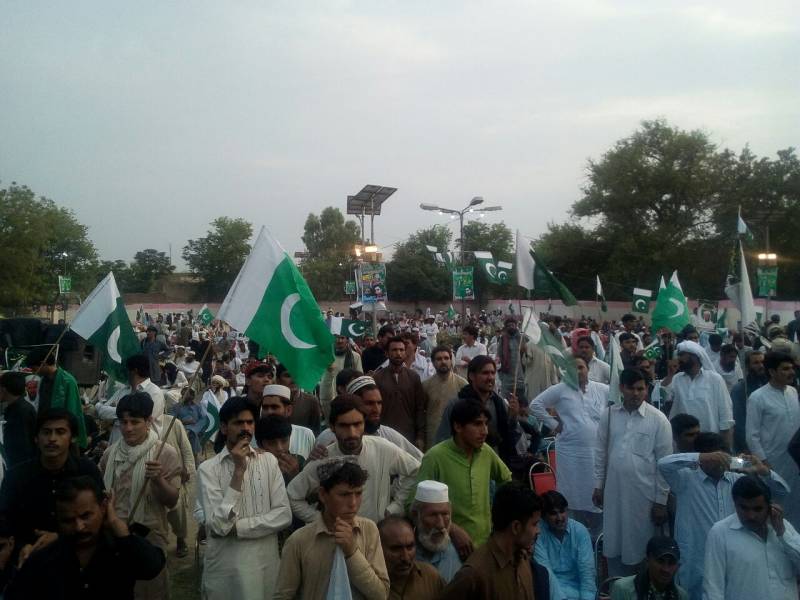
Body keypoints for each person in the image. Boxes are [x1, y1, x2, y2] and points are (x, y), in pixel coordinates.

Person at [657, 432, 789, 599]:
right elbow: (662, 464)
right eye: (715, 459)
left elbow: (783, 492)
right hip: (696, 560)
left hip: (733, 558)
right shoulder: (685, 480)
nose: (720, 464)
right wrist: (702, 456)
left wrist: (763, 471)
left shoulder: (737, 480)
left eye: (723, 458)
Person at [6, 476, 165, 600]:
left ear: (103, 508)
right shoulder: (44, 559)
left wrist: (118, 527)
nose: (79, 527)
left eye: (86, 516)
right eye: (68, 520)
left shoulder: (121, 549)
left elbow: (152, 567)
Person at [197, 396, 292, 599]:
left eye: (250, 422)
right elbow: (220, 526)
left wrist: (239, 528)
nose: (246, 428)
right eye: (238, 423)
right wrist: (239, 471)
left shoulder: (268, 461)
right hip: (226, 571)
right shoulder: (207, 470)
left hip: (264, 567)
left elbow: (284, 515)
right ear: (223, 428)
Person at [287, 395, 419, 523]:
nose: (352, 433)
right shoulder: (324, 458)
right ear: (332, 427)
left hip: (375, 537)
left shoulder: (382, 448)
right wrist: (321, 520)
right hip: (335, 539)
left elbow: (415, 470)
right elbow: (293, 496)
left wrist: (394, 508)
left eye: (357, 424)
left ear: (364, 424)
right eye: (344, 426)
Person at [99, 392, 181, 599]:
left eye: (135, 422)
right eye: (123, 422)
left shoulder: (165, 453)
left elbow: (172, 500)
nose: (128, 428)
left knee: (149, 590)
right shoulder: (110, 454)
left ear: (149, 421)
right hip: (113, 535)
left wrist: (158, 479)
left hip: (149, 536)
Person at [593, 368, 673, 577]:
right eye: (631, 388)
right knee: (614, 545)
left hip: (643, 498)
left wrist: (661, 501)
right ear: (621, 389)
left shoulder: (658, 420)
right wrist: (598, 485)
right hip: (613, 493)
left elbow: (664, 464)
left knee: (640, 547)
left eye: (641, 388)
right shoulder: (609, 415)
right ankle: (617, 588)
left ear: (647, 390)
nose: (636, 393)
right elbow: (601, 452)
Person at [274, 460, 390, 599]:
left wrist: (352, 553)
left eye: (358, 493)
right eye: (344, 495)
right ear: (323, 495)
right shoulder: (299, 541)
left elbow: (381, 594)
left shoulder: (369, 530)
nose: (353, 503)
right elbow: (283, 595)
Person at [0, 409, 104, 561]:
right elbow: (5, 521)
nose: (52, 439)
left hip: (78, 557)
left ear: (73, 438)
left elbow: (100, 516)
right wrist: (21, 547)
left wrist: (60, 537)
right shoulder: (16, 476)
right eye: (46, 432)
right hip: (28, 560)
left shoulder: (87, 471)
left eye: (60, 432)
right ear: (36, 438)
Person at [415, 399, 512, 547]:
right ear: (458, 426)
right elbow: (414, 505)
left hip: (485, 545)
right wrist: (452, 529)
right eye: (477, 424)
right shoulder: (435, 457)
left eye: (486, 424)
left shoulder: (485, 452)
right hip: (448, 546)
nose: (485, 431)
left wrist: (497, 515)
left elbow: (506, 480)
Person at [531, 357, 608, 537]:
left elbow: (615, 403)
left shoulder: (601, 389)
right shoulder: (560, 389)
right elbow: (535, 405)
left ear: (587, 369)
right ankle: (573, 537)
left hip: (595, 453)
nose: (578, 371)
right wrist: (553, 424)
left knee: (597, 498)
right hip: (570, 454)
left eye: (581, 367)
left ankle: (597, 542)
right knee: (572, 498)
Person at [439, 481, 541, 600]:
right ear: (516, 527)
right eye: (534, 524)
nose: (538, 531)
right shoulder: (473, 574)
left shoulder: (521, 558)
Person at [703, 475, 800, 600]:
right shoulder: (720, 533)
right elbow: (713, 588)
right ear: (735, 504)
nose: (751, 516)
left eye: (757, 509)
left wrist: (782, 534)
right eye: (744, 508)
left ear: (770, 506)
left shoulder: (783, 527)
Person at [435, 355, 523, 470]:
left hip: (495, 467)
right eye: (485, 373)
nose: (490, 377)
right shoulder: (457, 404)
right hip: (465, 467)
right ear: (472, 376)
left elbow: (511, 437)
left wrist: (513, 417)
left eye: (492, 373)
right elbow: (443, 439)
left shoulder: (499, 403)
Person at [746, 350, 800, 529]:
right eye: (785, 369)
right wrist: (764, 462)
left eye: (791, 368)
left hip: (795, 463)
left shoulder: (793, 392)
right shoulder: (758, 398)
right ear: (771, 372)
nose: (791, 372)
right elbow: (751, 435)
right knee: (775, 508)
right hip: (772, 464)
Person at [314, 376, 423, 460]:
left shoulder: (388, 436)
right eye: (369, 403)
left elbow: (419, 462)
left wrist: (397, 488)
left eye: (379, 403)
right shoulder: (328, 437)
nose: (376, 409)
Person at [667, 340, 734, 449]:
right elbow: (663, 398)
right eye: (678, 355)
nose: (679, 358)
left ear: (695, 356)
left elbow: (725, 414)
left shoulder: (714, 379)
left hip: (709, 443)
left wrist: (726, 447)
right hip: (682, 443)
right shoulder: (676, 379)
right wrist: (670, 375)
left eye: (682, 355)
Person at [533, 490, 596, 600]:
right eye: (553, 513)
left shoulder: (580, 531)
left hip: (578, 592)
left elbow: (587, 572)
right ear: (543, 517)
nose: (559, 518)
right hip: (549, 593)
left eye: (562, 512)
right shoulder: (538, 533)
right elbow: (546, 573)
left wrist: (587, 598)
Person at [95, 354, 167, 445]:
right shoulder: (123, 390)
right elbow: (101, 411)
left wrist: (114, 412)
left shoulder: (154, 392)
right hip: (116, 447)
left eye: (127, 370)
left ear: (134, 371)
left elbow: (140, 417)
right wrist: (109, 410)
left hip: (142, 449)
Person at [24, 347, 87, 447]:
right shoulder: (43, 380)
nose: (34, 372)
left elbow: (73, 411)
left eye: (34, 368)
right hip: (45, 429)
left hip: (60, 432)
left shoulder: (67, 381)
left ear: (43, 363)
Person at [373, 336, 428, 448]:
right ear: (387, 353)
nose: (398, 353)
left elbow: (420, 408)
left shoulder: (413, 377)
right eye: (394, 350)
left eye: (401, 350)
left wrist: (420, 436)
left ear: (405, 353)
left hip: (409, 436)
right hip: (384, 436)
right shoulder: (377, 377)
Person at [378, 516, 445, 599]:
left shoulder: (430, 576)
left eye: (410, 547)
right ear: (378, 548)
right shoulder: (367, 583)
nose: (405, 557)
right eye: (396, 549)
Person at [409, 481, 463, 583]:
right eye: (433, 515)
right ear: (415, 515)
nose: (441, 525)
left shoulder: (459, 550)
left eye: (445, 514)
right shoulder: (405, 556)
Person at [610, 535, 688, 600]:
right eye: (660, 561)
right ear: (647, 561)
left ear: (678, 566)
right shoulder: (623, 589)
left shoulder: (681, 596)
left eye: (671, 563)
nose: (666, 569)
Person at [422, 346, 468, 450]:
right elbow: (421, 413)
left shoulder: (463, 385)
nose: (443, 361)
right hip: (432, 435)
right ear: (433, 362)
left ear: (451, 361)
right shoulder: (425, 386)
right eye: (439, 359)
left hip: (456, 436)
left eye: (446, 358)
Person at [261, 384, 315, 459]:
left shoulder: (306, 435)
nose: (269, 412)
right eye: (265, 407)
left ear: (288, 410)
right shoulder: (253, 437)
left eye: (274, 407)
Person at [730, 349, 767, 453]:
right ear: (747, 366)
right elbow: (738, 420)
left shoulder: (769, 384)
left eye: (762, 362)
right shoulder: (740, 389)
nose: (761, 366)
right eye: (756, 363)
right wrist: (746, 445)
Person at [320, 334, 362, 420]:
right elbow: (323, 377)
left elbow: (359, 377)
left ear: (347, 340)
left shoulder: (355, 356)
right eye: (337, 338)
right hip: (329, 396)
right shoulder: (327, 356)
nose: (339, 341)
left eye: (342, 338)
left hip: (350, 396)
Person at [0, 371, 37, 467]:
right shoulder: (16, 409)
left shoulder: (21, 411)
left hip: (21, 469)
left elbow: (23, 447)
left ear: (3, 390)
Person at [255, 415, 305, 485]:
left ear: (289, 438)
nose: (280, 448)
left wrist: (295, 477)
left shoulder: (299, 461)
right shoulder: (254, 466)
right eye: (272, 443)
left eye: (284, 441)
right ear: (260, 445)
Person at [276, 364, 322, 436]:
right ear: (277, 380)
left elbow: (316, 434)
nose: (293, 379)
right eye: (288, 375)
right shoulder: (271, 402)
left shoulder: (311, 401)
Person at [495, 317, 529, 405]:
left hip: (520, 376)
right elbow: (498, 355)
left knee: (521, 403)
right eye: (509, 325)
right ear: (506, 327)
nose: (511, 327)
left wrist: (525, 350)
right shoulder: (503, 339)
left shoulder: (522, 338)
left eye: (513, 325)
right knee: (506, 403)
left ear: (516, 326)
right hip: (507, 377)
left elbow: (528, 355)